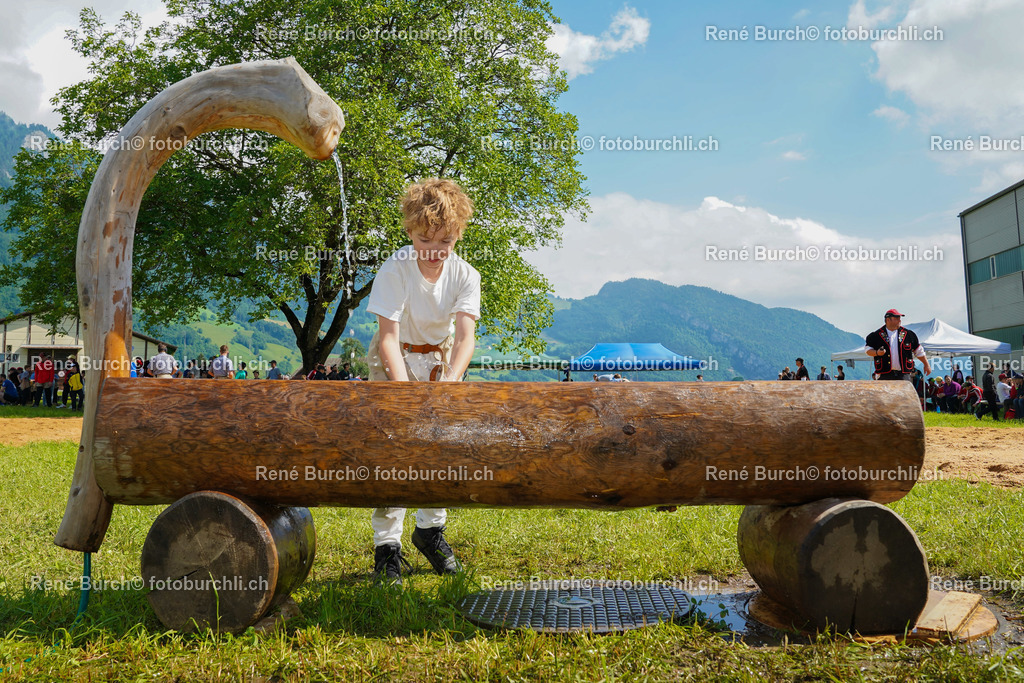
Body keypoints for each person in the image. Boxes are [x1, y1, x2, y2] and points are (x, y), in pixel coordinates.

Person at [365, 177, 479, 584]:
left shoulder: (467, 275)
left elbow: (465, 339)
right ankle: (387, 548)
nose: (434, 250)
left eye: (445, 241)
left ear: (458, 236)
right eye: (424, 239)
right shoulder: (395, 268)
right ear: (410, 232)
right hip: (392, 361)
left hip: (439, 364)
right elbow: (388, 340)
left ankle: (430, 530)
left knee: (439, 448)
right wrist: (404, 396)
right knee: (393, 453)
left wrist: (448, 383)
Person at [865, 309, 931, 381]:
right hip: (884, 373)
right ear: (888, 320)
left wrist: (926, 365)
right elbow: (868, 350)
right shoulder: (876, 335)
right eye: (896, 318)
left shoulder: (908, 334)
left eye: (899, 318)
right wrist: (877, 353)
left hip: (903, 374)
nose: (899, 320)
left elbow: (919, 351)